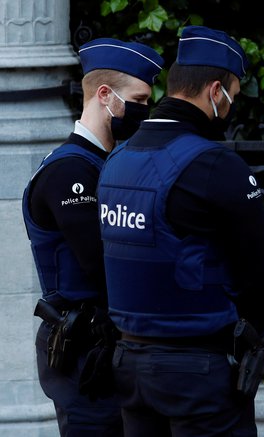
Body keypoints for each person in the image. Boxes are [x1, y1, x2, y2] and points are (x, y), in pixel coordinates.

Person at [96, 25, 264, 437]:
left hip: (129, 364)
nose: (232, 105)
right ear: (217, 91)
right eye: (233, 93)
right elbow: (260, 280)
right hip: (198, 369)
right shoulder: (215, 164)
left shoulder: (117, 159)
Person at [22, 38, 164, 436]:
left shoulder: (104, 164)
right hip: (81, 347)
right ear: (106, 96)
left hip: (109, 343)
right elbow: (102, 264)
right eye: (139, 98)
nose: (145, 110)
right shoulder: (70, 171)